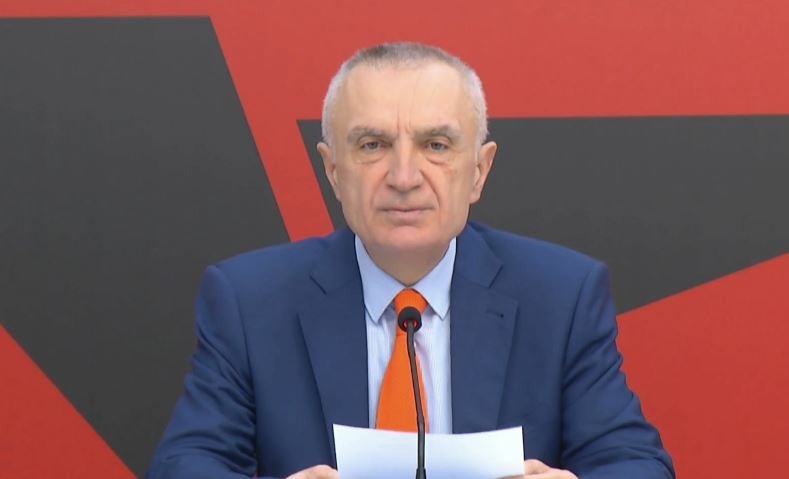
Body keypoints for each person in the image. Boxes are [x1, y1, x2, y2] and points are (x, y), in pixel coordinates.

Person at [147, 42, 674, 479]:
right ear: (333, 171)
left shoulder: (561, 296)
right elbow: (185, 465)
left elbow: (636, 465)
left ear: (479, 170)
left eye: (436, 145)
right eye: (372, 145)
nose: (404, 177)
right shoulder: (249, 301)